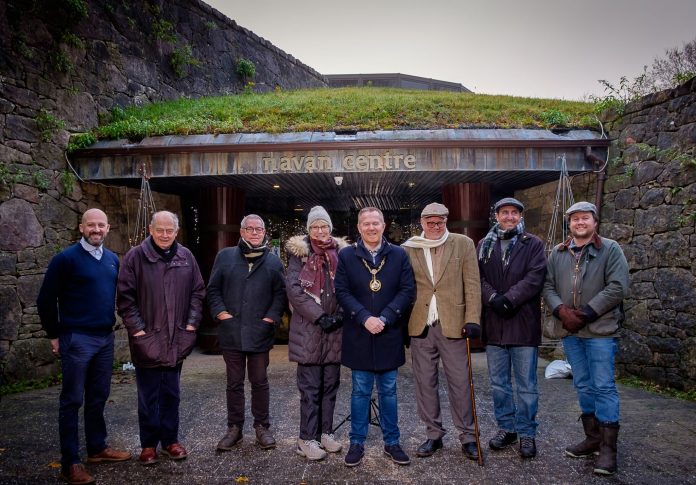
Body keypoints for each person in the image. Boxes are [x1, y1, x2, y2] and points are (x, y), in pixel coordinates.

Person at [37, 208, 131, 485]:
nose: (96, 229)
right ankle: (70, 462)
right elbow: (45, 299)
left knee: (98, 396)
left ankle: (97, 448)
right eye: (91, 225)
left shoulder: (112, 260)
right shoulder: (65, 259)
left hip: (104, 338)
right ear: (81, 227)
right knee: (72, 400)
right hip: (76, 337)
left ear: (108, 228)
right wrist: (54, 334)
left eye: (101, 225)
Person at [543, 201, 629, 476]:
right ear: (569, 224)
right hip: (571, 331)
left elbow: (617, 287)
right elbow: (547, 285)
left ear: (594, 222)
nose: (580, 223)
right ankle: (592, 438)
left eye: (585, 218)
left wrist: (588, 312)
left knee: (603, 385)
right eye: (575, 219)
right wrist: (560, 311)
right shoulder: (558, 253)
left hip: (600, 330)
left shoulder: (611, 249)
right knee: (582, 383)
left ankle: (608, 448)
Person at [117, 211, 205, 466]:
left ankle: (170, 441)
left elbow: (197, 293)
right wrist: (138, 331)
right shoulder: (135, 257)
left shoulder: (186, 257)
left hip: (176, 338)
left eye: (170, 230)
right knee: (148, 396)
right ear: (150, 229)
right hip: (148, 338)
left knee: (172, 393)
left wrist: (190, 326)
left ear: (176, 232)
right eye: (160, 230)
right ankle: (148, 445)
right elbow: (125, 299)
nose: (165, 235)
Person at [334, 207, 415, 467]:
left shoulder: (399, 254)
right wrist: (364, 317)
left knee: (389, 391)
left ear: (383, 225)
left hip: (388, 332)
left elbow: (407, 290)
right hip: (359, 331)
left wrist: (386, 317)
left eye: (375, 223)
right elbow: (342, 291)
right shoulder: (346, 255)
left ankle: (392, 442)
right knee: (359, 391)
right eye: (366, 223)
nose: (371, 227)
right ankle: (356, 442)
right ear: (359, 228)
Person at [402, 202, 482, 461]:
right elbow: (405, 288)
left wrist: (473, 318)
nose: (435, 227)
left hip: (454, 323)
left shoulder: (463, 243)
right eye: (430, 222)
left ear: (446, 221)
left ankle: (468, 436)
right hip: (421, 325)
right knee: (425, 383)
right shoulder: (409, 247)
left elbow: (472, 283)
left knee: (460, 382)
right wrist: (402, 325)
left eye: (440, 222)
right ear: (422, 223)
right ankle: (433, 434)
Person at [207, 214, 287, 452]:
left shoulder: (274, 261)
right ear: (241, 232)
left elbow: (280, 294)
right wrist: (222, 314)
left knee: (260, 381)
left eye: (258, 229)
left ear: (264, 232)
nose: (254, 232)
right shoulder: (225, 257)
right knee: (234, 383)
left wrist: (270, 319)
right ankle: (235, 428)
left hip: (259, 333)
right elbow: (213, 290)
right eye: (249, 229)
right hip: (231, 332)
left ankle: (262, 426)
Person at [477, 197, 547, 459]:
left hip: (523, 322)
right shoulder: (484, 245)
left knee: (527, 385)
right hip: (495, 324)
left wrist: (511, 298)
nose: (509, 217)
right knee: (499, 384)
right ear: (496, 216)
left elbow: (535, 276)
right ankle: (507, 428)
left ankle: (527, 432)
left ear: (520, 215)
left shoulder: (533, 244)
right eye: (504, 212)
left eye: (513, 212)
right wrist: (493, 298)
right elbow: (478, 277)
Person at [285, 206, 348, 461]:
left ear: (330, 228)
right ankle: (306, 438)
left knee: (330, 385)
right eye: (315, 227)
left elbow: (348, 285)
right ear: (308, 230)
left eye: (324, 226)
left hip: (334, 331)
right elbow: (294, 290)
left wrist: (341, 314)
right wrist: (319, 316)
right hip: (309, 330)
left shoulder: (342, 254)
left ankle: (325, 433)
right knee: (310, 388)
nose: (320, 231)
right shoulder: (299, 255)